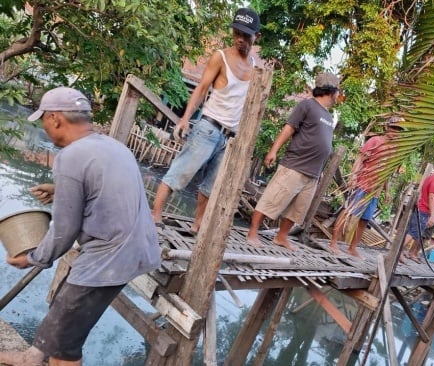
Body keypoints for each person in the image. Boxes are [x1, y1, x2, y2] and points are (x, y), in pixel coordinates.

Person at [0, 87, 161, 366]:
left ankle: (41, 358)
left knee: (64, 349)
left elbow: (64, 230)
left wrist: (33, 258)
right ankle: (31, 356)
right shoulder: (113, 147)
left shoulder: (70, 157)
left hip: (109, 257)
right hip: (138, 249)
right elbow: (104, 193)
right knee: (64, 306)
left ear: (55, 119)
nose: (45, 127)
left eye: (43, 121)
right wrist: (60, 190)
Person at [151, 8, 261, 235]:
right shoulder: (220, 57)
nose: (240, 39)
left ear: (255, 37)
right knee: (180, 173)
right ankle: (155, 214)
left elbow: (252, 107)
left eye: (246, 35)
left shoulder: (257, 70)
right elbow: (201, 89)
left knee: (209, 187)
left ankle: (197, 224)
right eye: (237, 33)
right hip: (208, 128)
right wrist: (185, 119)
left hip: (230, 136)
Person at [246, 72, 340, 250]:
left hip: (313, 173)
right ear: (331, 90)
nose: (339, 94)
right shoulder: (307, 105)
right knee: (272, 199)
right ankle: (252, 232)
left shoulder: (329, 116)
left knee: (297, 210)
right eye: (338, 90)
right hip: (295, 166)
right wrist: (273, 150)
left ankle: (281, 237)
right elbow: (289, 128)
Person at [328, 117, 402, 257]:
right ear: (387, 127)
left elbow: (387, 171)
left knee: (365, 219)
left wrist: (386, 191)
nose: (395, 132)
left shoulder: (394, 150)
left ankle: (352, 247)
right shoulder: (375, 141)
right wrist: (354, 176)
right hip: (362, 184)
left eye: (398, 129)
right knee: (348, 212)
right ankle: (333, 242)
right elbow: (360, 158)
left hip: (375, 191)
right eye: (394, 128)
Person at [402, 159, 434, 262]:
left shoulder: (430, 178)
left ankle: (399, 252)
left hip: (421, 208)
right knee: (413, 233)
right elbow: (431, 197)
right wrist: (432, 215)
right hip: (424, 210)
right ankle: (399, 252)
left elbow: (432, 197)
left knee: (413, 232)